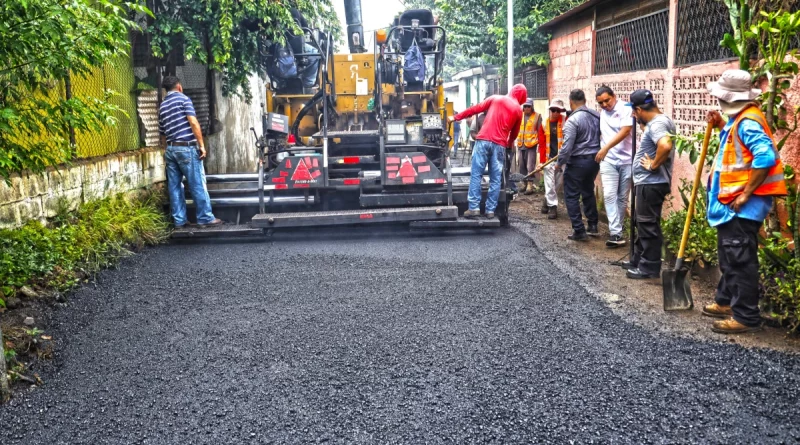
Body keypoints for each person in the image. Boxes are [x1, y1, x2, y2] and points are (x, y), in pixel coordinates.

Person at [702, 69, 788, 334]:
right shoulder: (740, 120)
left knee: (740, 260)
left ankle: (745, 316)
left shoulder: (748, 121)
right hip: (733, 205)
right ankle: (726, 302)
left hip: (742, 206)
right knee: (730, 258)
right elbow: (738, 150)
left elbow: (765, 157)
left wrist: (746, 193)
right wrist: (719, 126)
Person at [449, 84, 527, 219]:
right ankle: (490, 210)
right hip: (499, 145)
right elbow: (514, 133)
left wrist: (455, 117)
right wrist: (508, 145)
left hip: (483, 141)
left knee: (476, 175)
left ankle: (473, 208)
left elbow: (474, 109)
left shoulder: (495, 98)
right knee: (496, 179)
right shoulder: (518, 111)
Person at [623, 89, 675, 279]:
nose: (632, 115)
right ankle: (638, 259)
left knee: (648, 224)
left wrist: (653, 165)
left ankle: (649, 267)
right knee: (642, 222)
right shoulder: (659, 121)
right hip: (649, 182)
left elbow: (665, 145)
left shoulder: (658, 124)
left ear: (639, 109)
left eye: (633, 112)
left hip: (652, 182)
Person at [159, 76, 223, 228]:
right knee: (197, 183)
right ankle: (205, 217)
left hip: (171, 148)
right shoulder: (184, 100)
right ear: (179, 86)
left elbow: (162, 132)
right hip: (186, 147)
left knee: (174, 187)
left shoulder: (162, 106)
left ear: (166, 89)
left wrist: (167, 149)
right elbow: (193, 122)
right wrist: (201, 145)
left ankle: (179, 220)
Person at [556, 89, 601, 241]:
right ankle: (593, 225)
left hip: (578, 162)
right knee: (588, 190)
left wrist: (559, 162)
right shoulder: (596, 115)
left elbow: (567, 147)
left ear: (571, 101)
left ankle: (579, 230)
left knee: (571, 195)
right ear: (585, 99)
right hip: (594, 161)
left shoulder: (573, 121)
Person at [595, 85, 633, 248]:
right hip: (609, 160)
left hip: (627, 160)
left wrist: (605, 148)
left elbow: (625, 131)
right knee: (610, 194)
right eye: (601, 103)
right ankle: (616, 233)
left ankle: (618, 229)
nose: (604, 105)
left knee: (622, 197)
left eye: (607, 100)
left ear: (614, 96)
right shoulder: (603, 113)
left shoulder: (625, 108)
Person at [540, 100, 566, 219]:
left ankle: (546, 200)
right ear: (550, 110)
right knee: (550, 184)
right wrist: (541, 161)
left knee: (558, 184)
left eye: (558, 110)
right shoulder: (544, 124)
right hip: (548, 159)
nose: (555, 113)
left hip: (562, 159)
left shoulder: (566, 122)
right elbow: (541, 143)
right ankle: (553, 207)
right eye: (553, 110)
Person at [516, 98, 544, 195]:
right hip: (520, 144)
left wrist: (540, 145)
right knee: (521, 165)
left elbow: (540, 132)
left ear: (532, 107)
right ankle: (524, 183)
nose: (527, 108)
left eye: (528, 106)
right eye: (525, 106)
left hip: (531, 145)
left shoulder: (537, 116)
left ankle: (530, 184)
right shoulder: (520, 116)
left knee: (530, 166)